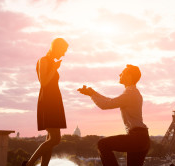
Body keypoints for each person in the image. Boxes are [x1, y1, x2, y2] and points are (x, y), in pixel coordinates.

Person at [78, 64, 150, 166]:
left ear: (129, 76)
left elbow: (106, 104)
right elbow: (110, 100)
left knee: (102, 144)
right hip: (141, 139)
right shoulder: (132, 93)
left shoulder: (130, 94)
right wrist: (93, 93)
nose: (119, 74)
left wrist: (92, 94)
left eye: (123, 73)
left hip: (136, 138)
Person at [23, 38, 69, 166]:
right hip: (48, 101)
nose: (64, 54)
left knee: (50, 138)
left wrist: (54, 67)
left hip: (55, 101)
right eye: (63, 50)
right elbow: (44, 82)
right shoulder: (43, 60)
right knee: (55, 139)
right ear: (56, 47)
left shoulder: (51, 62)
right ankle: (29, 164)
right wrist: (54, 68)